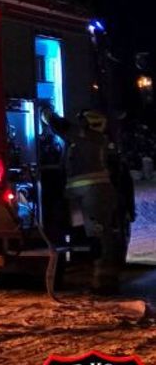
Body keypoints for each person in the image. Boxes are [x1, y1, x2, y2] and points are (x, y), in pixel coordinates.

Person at [43, 107, 132, 295]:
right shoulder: (95, 140)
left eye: (82, 121)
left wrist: (45, 111)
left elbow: (61, 125)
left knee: (99, 238)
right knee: (96, 238)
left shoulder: (87, 137)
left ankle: (104, 283)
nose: (79, 124)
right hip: (88, 195)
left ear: (90, 123)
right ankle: (101, 280)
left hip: (93, 195)